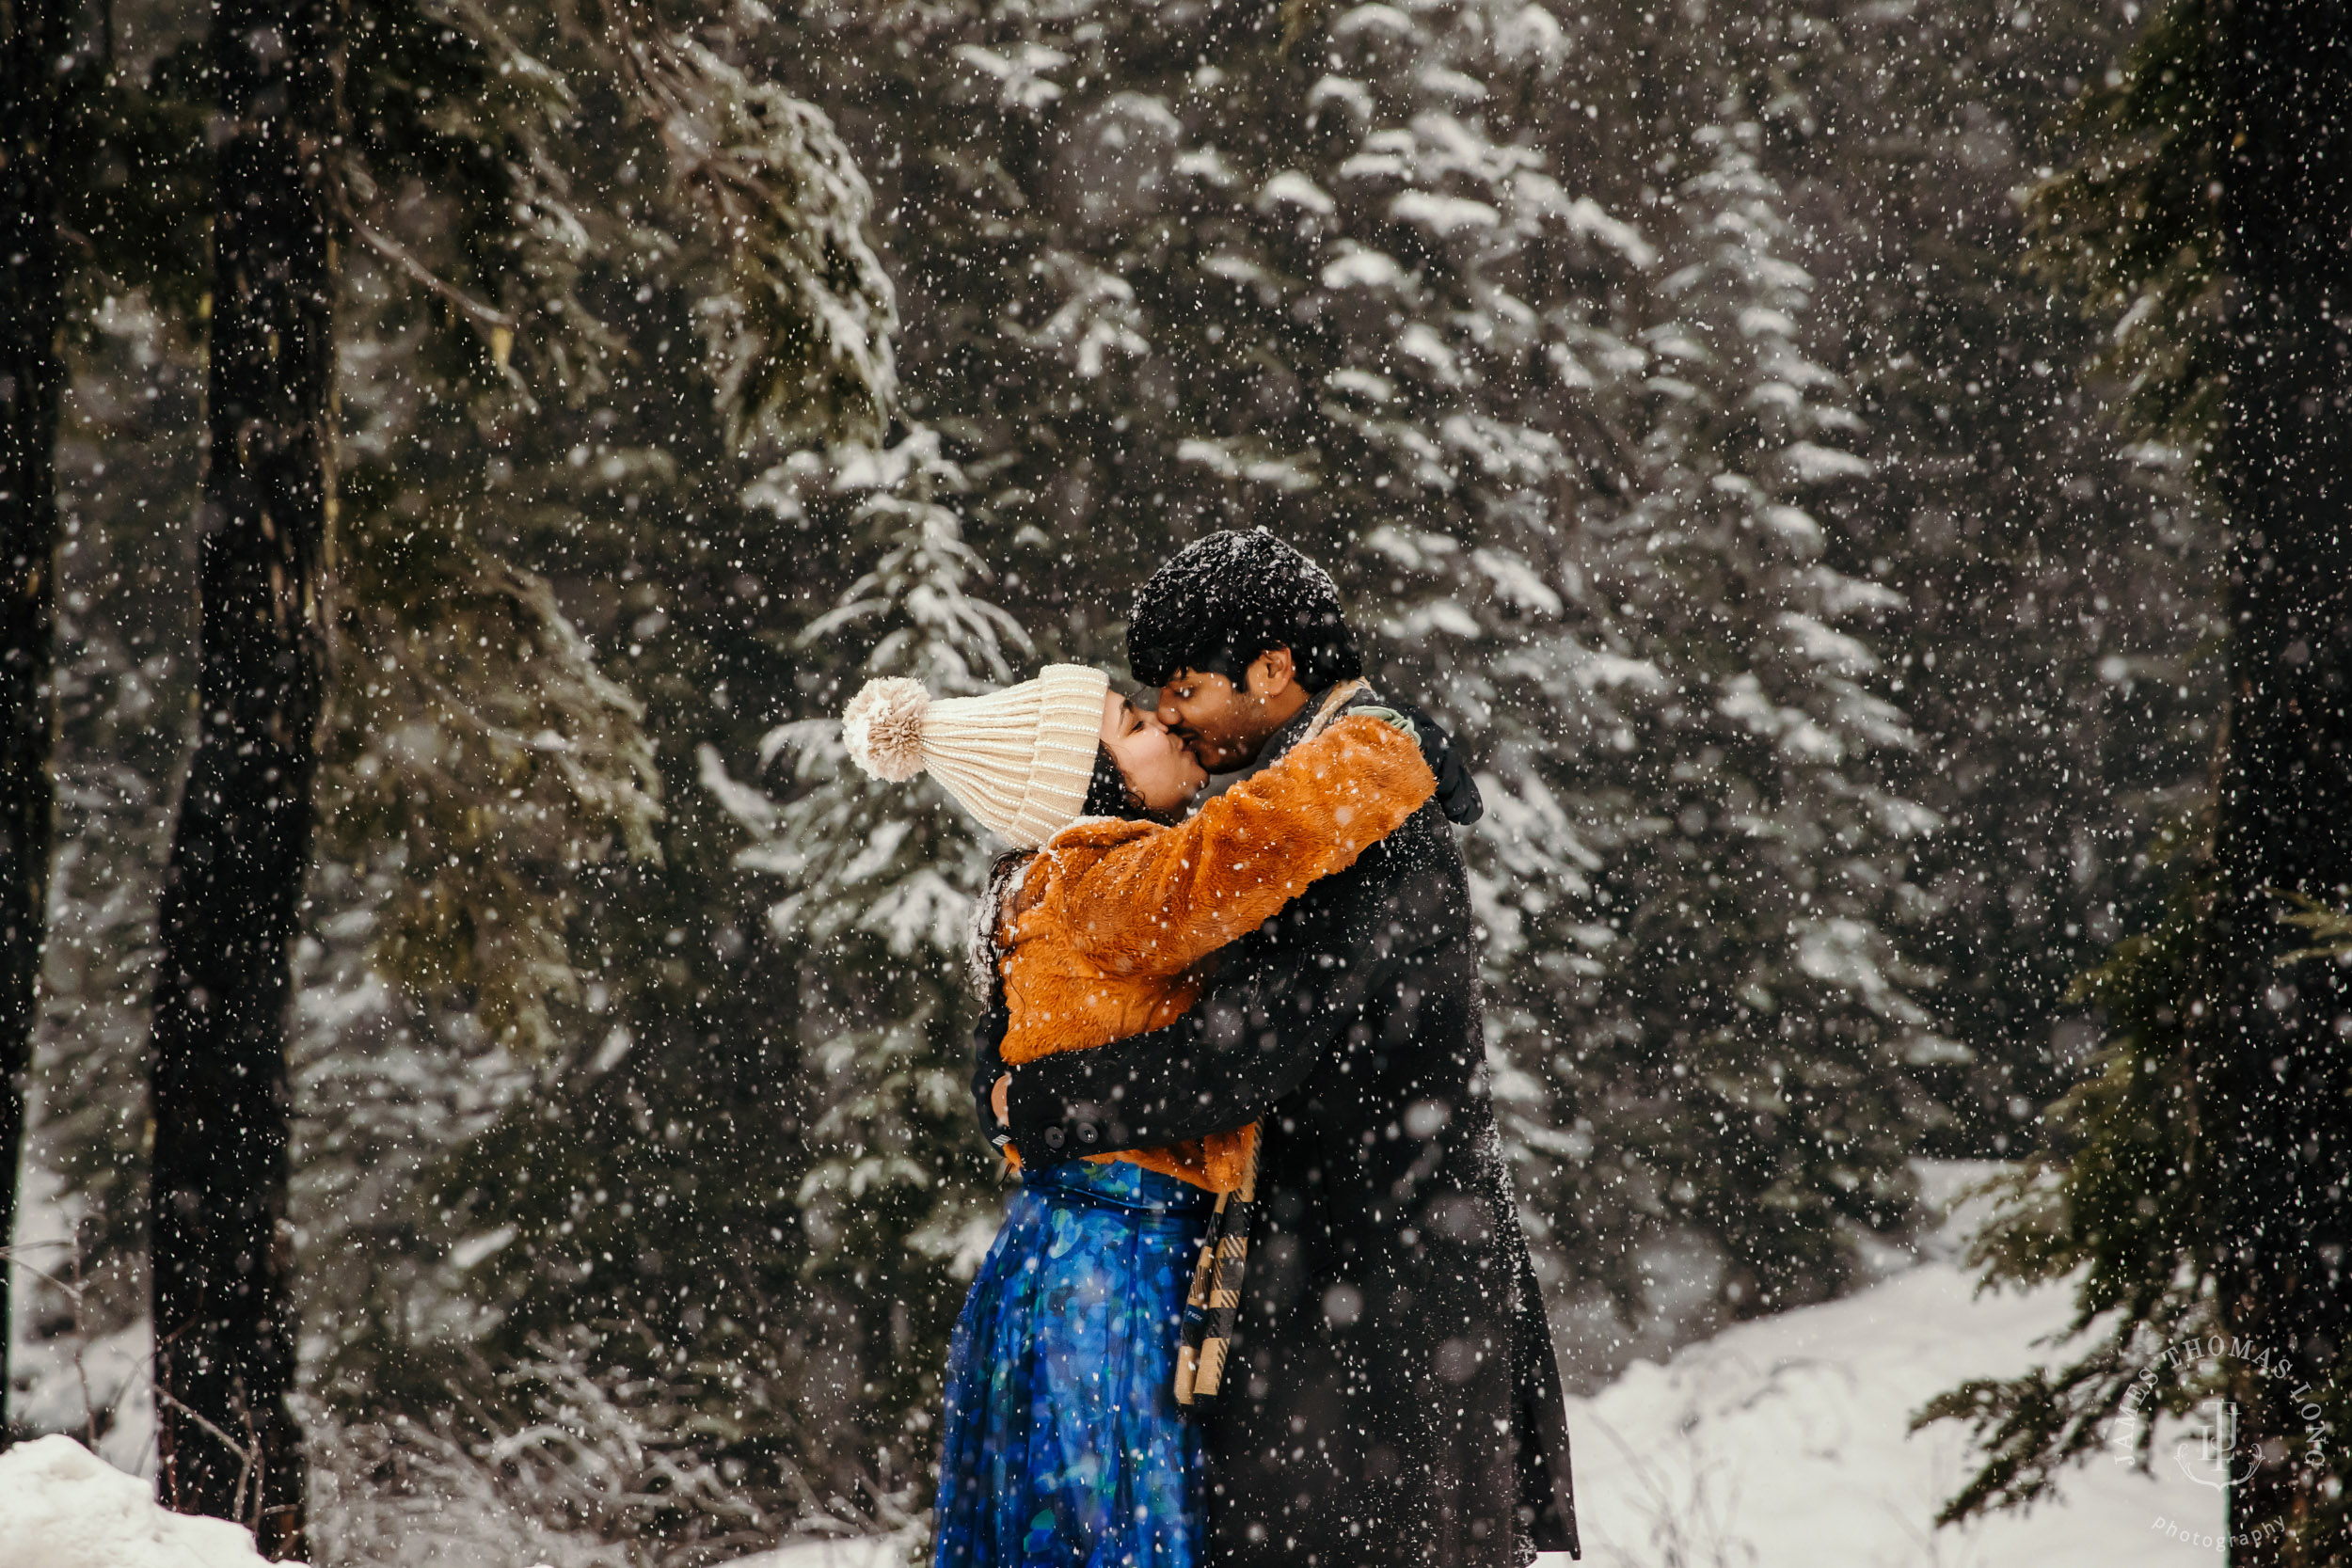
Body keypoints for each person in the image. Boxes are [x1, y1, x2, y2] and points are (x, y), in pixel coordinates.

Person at [986, 529, 1580, 1567]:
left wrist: (1039, 1102)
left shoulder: (1365, 823)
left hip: (1375, 1311)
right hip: (1365, 1294)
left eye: (1182, 687)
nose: (1169, 714)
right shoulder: (1333, 792)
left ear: (1271, 670)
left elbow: (1247, 1052)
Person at [839, 658, 1447, 1568]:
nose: (1165, 726)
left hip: (1062, 1258)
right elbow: (1249, 843)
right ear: (1088, 785)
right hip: (1115, 1271)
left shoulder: (1038, 894)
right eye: (1132, 726)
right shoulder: (1105, 885)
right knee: (1119, 1530)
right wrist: (1382, 749)